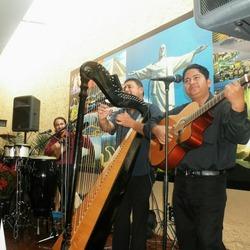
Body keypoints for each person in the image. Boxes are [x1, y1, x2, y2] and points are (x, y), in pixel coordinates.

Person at [153, 64, 250, 250]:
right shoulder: (181, 110)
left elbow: (241, 136)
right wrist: (156, 128)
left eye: (196, 78)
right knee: (186, 239)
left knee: (208, 241)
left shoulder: (224, 107)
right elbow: (152, 121)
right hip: (181, 183)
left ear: (208, 81)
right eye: (187, 80)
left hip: (210, 186)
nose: (191, 83)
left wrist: (238, 104)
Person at [97, 78, 163, 250]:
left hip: (143, 172)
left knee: (140, 217)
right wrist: (102, 119)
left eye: (130, 86)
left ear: (141, 90)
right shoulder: (120, 112)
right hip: (121, 173)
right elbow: (108, 127)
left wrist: (131, 123)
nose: (126, 89)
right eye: (124, 87)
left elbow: (155, 132)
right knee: (120, 216)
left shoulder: (151, 108)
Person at [129, 44, 207, 111]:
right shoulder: (154, 64)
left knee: (168, 107)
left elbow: (182, 59)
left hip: (166, 86)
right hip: (157, 90)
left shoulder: (170, 61)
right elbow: (144, 71)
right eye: (161, 48)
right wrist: (136, 73)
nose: (162, 50)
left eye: (163, 48)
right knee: (157, 107)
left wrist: (195, 51)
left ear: (165, 50)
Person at [44, 116, 94, 210]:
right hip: (57, 167)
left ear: (66, 125)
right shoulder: (54, 138)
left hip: (70, 167)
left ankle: (65, 213)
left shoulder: (74, 135)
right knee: (61, 193)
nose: (59, 126)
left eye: (61, 124)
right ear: (55, 128)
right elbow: (46, 151)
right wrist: (57, 145)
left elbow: (89, 146)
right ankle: (62, 212)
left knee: (67, 194)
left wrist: (81, 135)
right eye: (57, 125)